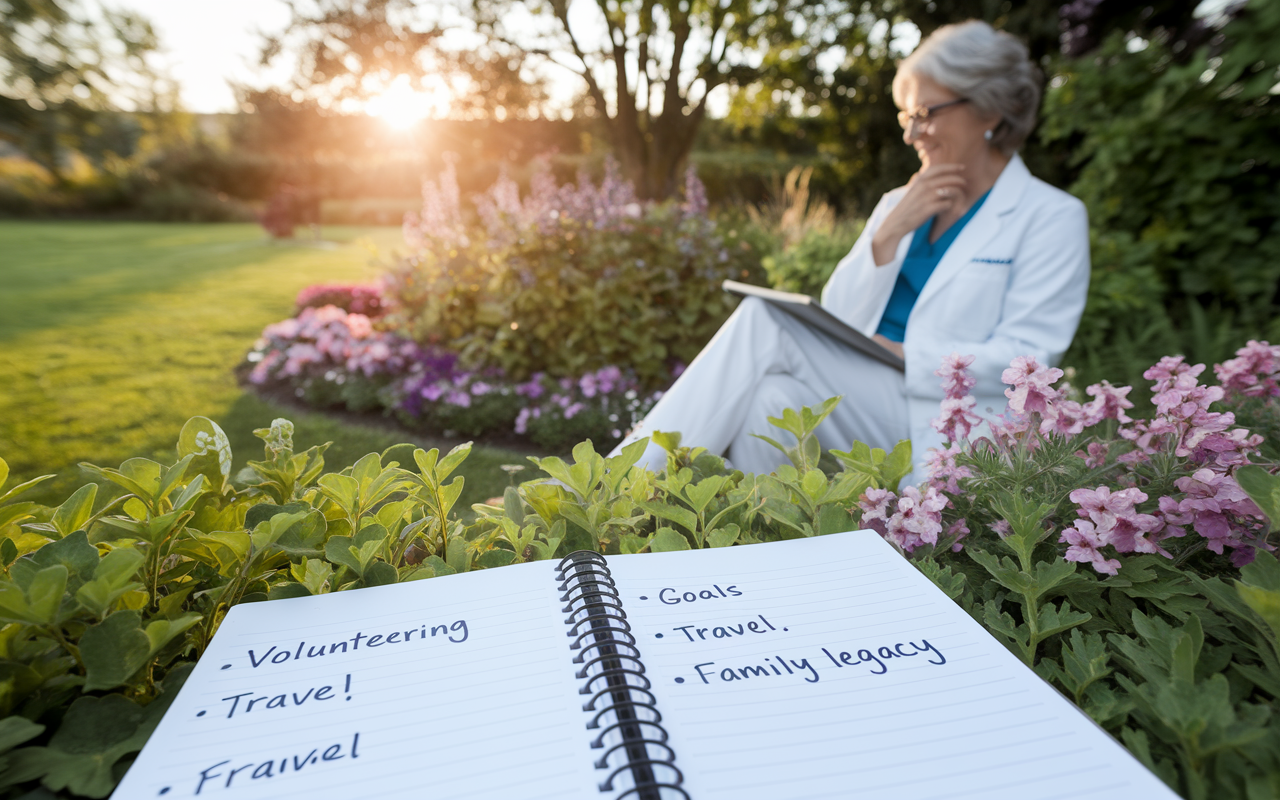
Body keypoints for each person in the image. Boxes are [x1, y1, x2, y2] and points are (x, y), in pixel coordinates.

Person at [610, 20, 1091, 481]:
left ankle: (614, 490)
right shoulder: (897, 205)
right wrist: (887, 235)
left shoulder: (1049, 216)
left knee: (766, 318)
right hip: (868, 403)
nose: (910, 134)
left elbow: (1031, 358)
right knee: (771, 401)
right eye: (907, 117)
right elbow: (836, 316)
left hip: (948, 420)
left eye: (925, 114)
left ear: (988, 109)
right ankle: (768, 545)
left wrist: (905, 353)